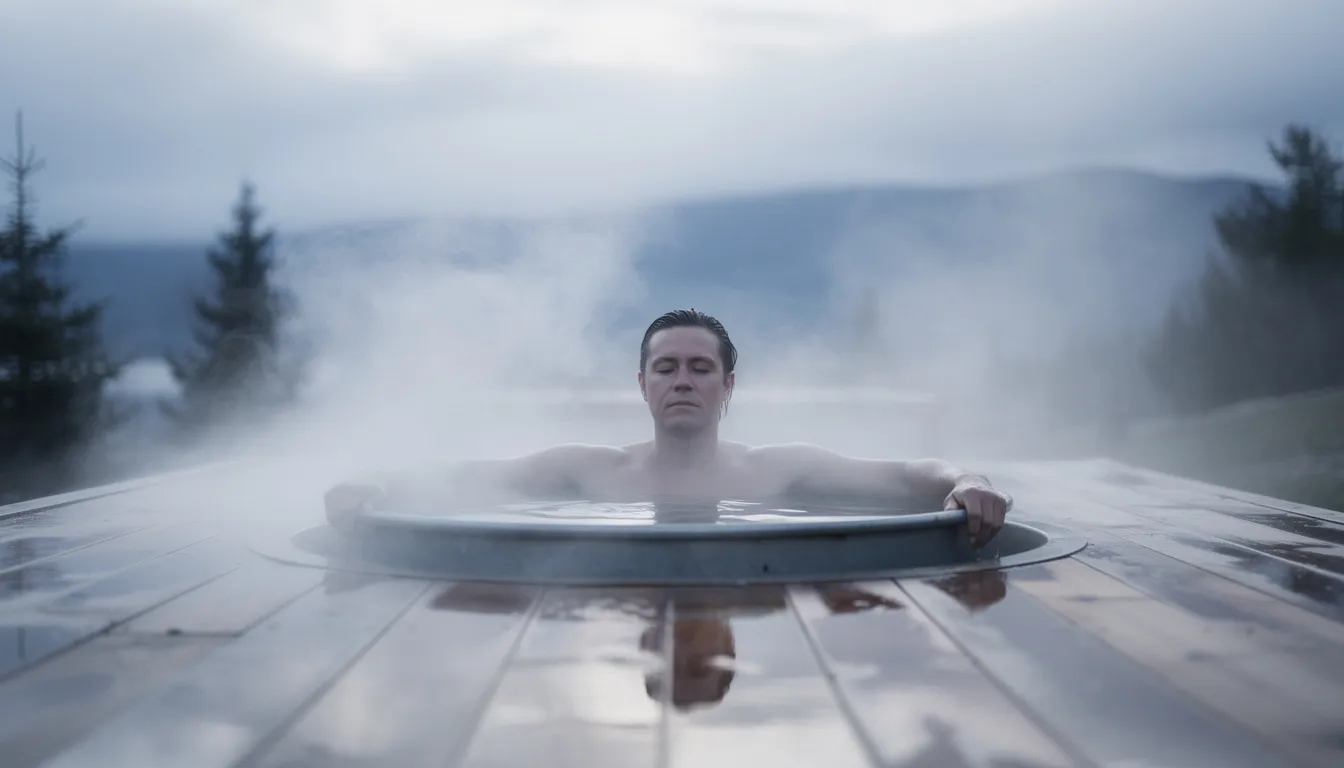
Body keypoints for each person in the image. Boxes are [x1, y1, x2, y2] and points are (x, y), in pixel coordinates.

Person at [325, 308, 1012, 547]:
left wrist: (969, 481)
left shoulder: (776, 471)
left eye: (699, 368)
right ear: (643, 385)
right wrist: (378, 481)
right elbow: (470, 479)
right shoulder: (591, 470)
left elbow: (904, 477)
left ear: (727, 386)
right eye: (667, 367)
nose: (683, 379)